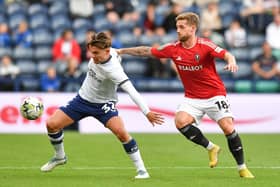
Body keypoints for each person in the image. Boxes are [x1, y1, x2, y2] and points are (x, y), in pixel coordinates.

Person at [117, 12, 255, 178]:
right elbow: (146, 51)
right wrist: (122, 50)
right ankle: (211, 148)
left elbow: (227, 54)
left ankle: (242, 168)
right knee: (180, 122)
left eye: (182, 27)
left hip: (214, 95)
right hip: (192, 98)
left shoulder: (205, 45)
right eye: (177, 27)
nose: (178, 31)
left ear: (192, 28)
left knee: (228, 127)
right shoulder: (173, 49)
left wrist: (231, 62)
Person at [40, 32, 164, 179]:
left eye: (96, 53)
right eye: (91, 52)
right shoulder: (108, 51)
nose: (92, 56)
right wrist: (125, 50)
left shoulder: (114, 70)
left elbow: (132, 91)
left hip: (104, 106)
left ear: (106, 51)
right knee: (51, 124)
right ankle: (60, 157)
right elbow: (127, 51)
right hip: (82, 100)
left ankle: (142, 170)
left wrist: (147, 112)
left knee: (122, 133)